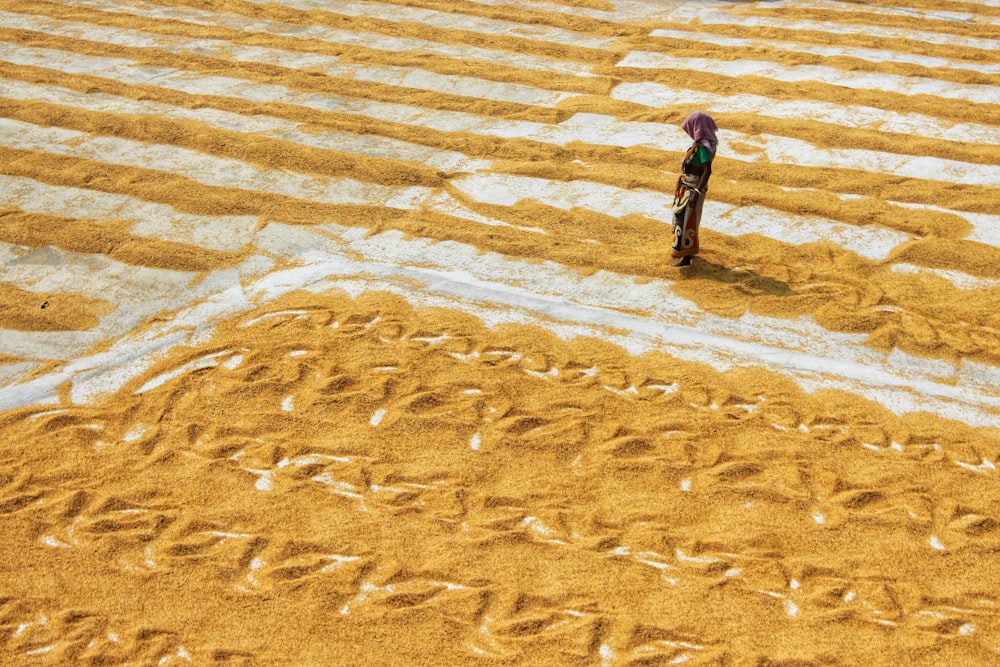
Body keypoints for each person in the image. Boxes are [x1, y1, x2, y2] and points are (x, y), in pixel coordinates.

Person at [671, 111, 718, 267]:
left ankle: (686, 257)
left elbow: (707, 170)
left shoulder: (704, 148)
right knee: (684, 219)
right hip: (689, 185)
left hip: (693, 187)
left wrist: (695, 194)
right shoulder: (702, 144)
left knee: (687, 221)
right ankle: (681, 251)